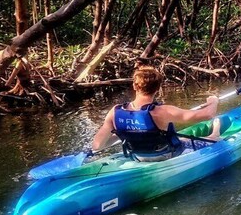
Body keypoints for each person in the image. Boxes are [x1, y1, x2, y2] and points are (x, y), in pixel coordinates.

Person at [92, 66, 222, 162]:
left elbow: (97, 146)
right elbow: (208, 114)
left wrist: (126, 131)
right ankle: (214, 135)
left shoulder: (115, 111)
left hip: (137, 156)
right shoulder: (162, 111)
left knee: (181, 139)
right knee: (213, 140)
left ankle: (212, 133)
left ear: (134, 86)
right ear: (157, 88)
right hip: (166, 155)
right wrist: (213, 101)